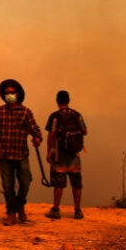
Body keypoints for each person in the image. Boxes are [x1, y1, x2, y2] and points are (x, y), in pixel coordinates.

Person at [0, 79, 42, 226]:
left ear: (18, 94)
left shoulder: (25, 112)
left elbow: (36, 130)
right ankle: (11, 212)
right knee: (7, 186)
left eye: (12, 93)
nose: (9, 95)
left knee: (26, 181)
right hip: (4, 155)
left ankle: (20, 204)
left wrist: (37, 138)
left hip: (21, 154)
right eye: (6, 93)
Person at [45, 90, 87, 220]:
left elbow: (51, 135)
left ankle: (56, 209)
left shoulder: (55, 116)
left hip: (59, 154)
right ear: (69, 100)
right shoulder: (77, 114)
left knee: (59, 184)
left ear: (57, 101)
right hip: (74, 154)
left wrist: (49, 152)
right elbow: (84, 131)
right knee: (76, 184)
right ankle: (78, 210)